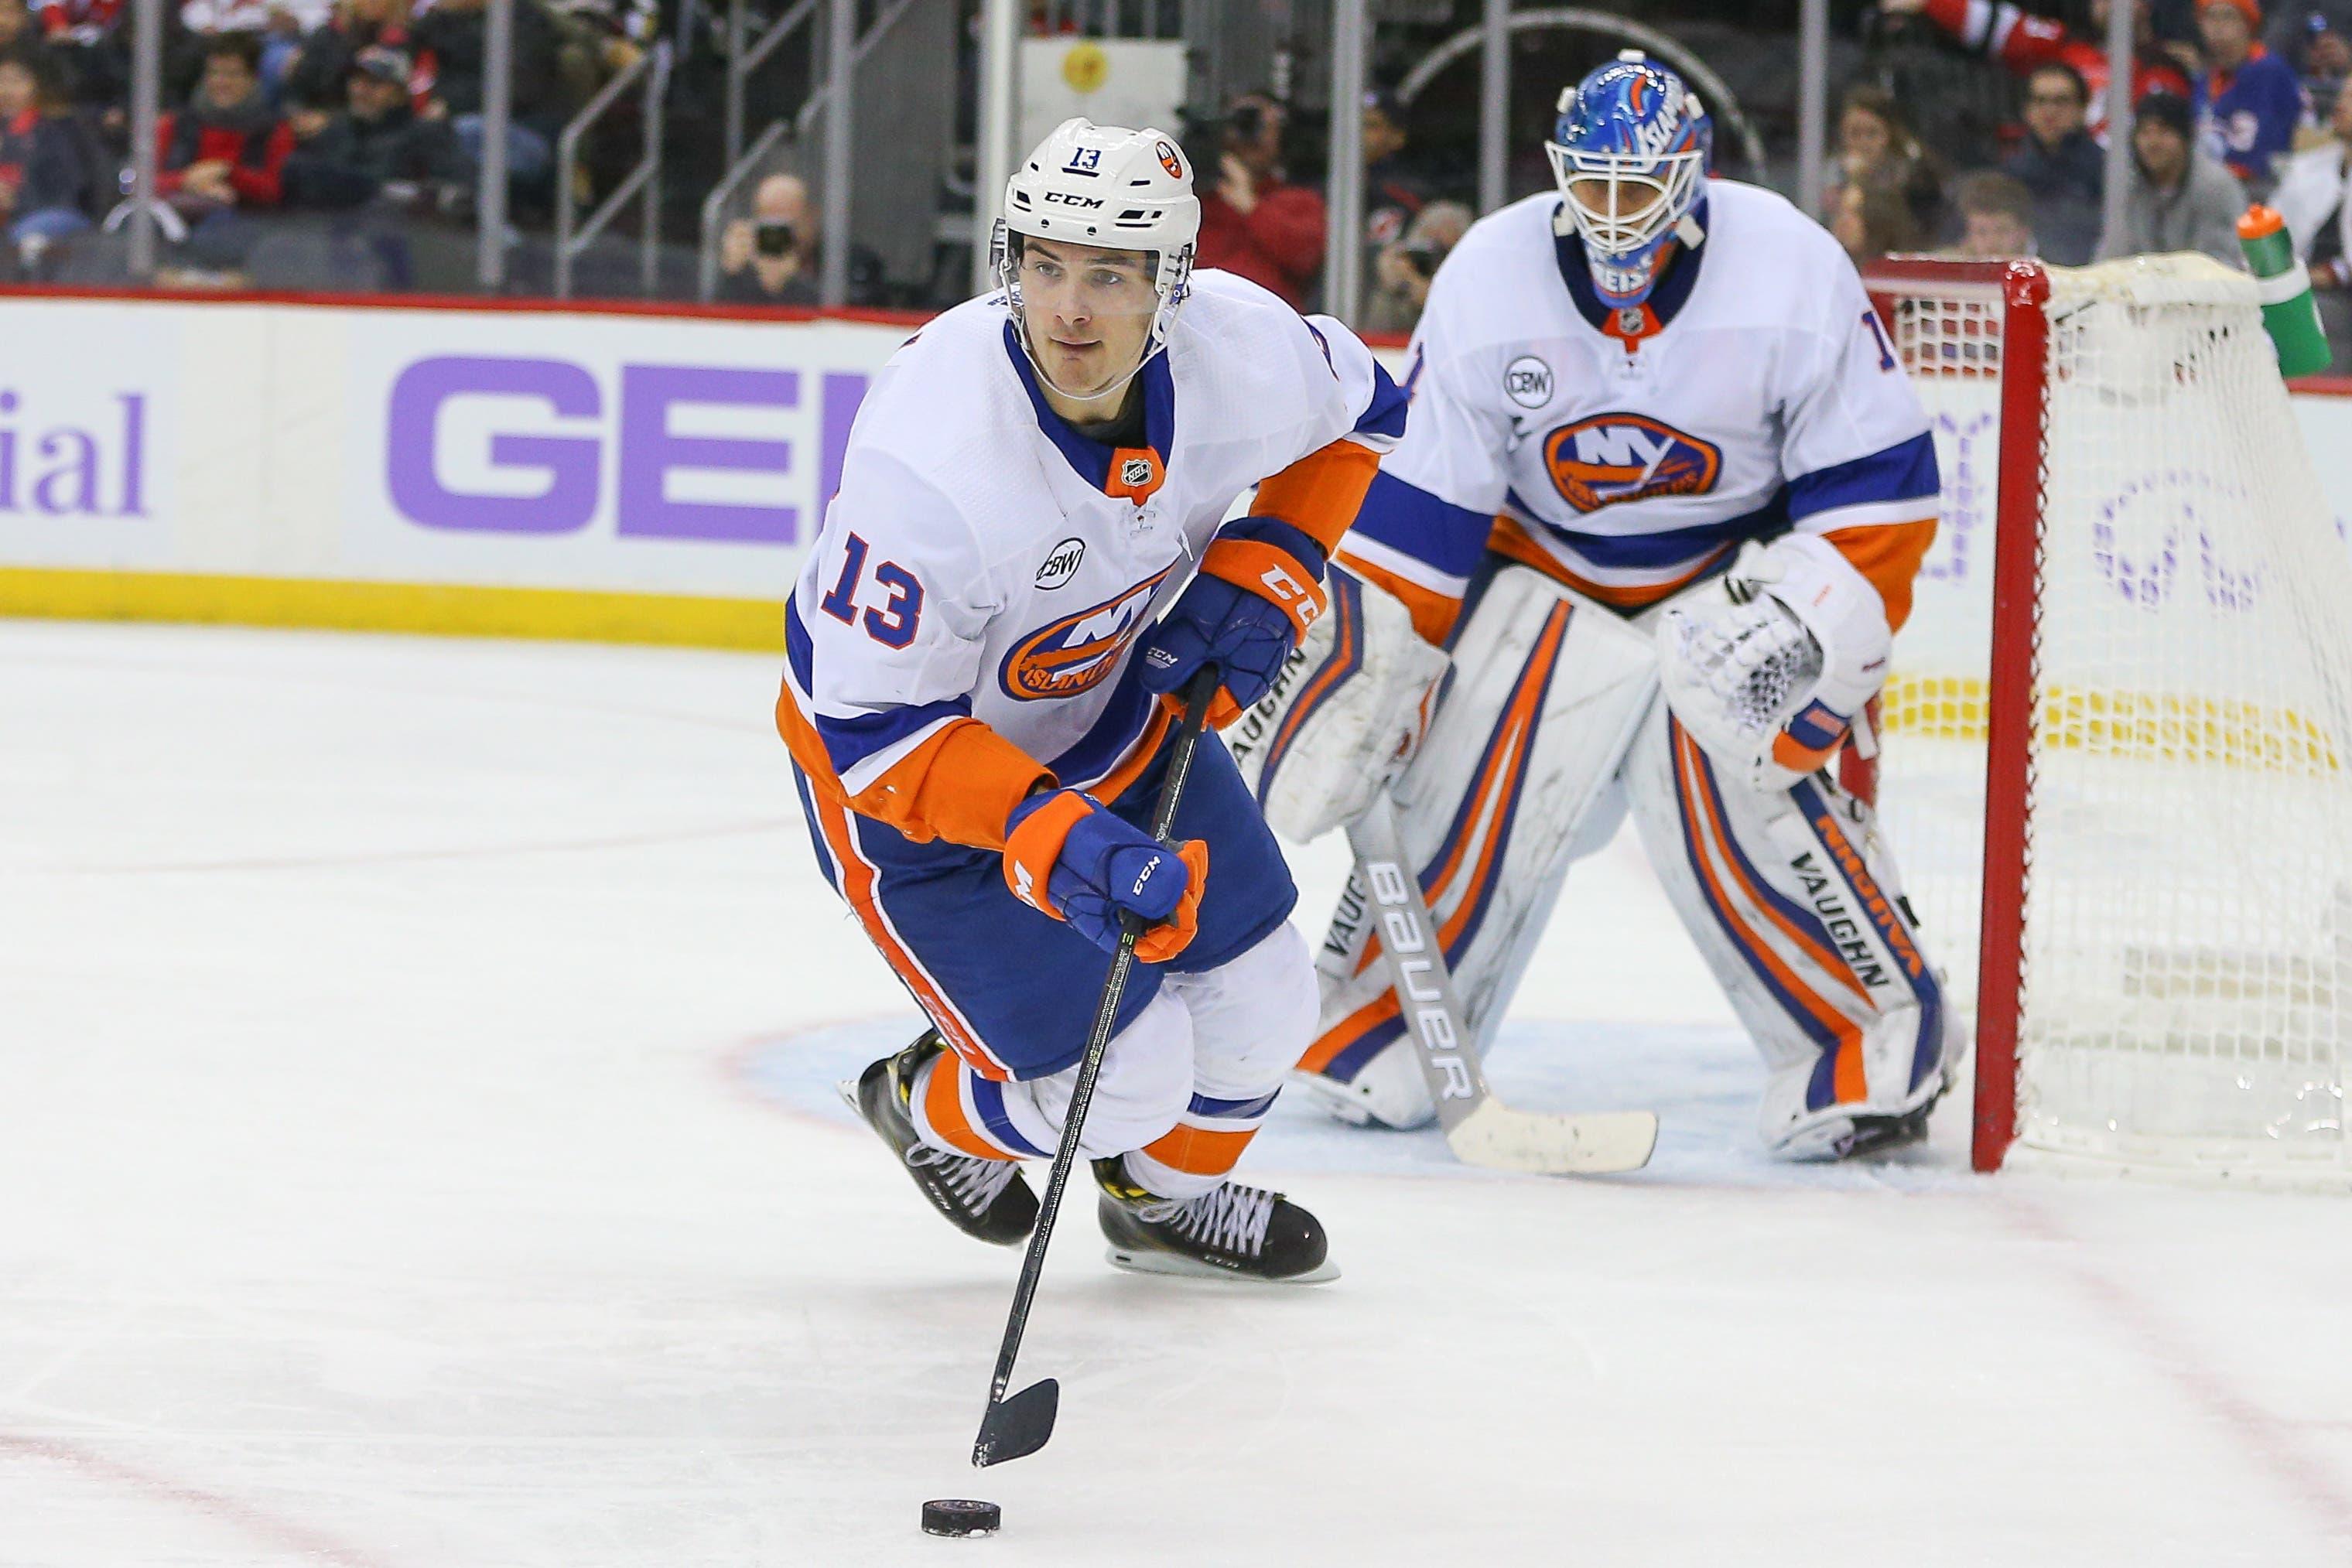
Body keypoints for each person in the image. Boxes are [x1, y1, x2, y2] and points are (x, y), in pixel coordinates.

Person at [1246, 52, 1957, 1160]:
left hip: (1727, 582)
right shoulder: (1490, 275)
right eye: (1593, 184)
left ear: (1692, 180)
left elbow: (1883, 493)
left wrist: (1808, 620)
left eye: (1637, 189)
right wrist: (1364, 670)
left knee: (1744, 776)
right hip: (1544, 578)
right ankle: (1376, 1014)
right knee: (1456, 777)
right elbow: (1427, 519)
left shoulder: (1790, 269)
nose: (1613, 215)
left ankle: (1867, 1030)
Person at [794, 118, 1407, 1282]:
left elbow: (1368, 412)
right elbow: (871, 737)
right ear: (1008, 261)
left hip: (1112, 710)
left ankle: (1160, 1205)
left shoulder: (1242, 349)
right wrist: (1054, 834)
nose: (1070, 308)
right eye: (1045, 263)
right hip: (923, 790)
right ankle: (928, 1105)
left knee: (1270, 1001)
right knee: (1123, 1075)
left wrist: (1268, 565)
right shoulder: (930, 458)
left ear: (1172, 285)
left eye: (1111, 274)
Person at [1881, 0, 2193, 139]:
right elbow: (2006, 28)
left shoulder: (2162, 66)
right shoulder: (2067, 46)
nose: (2107, 4)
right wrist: (1932, 2)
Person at [282, 44, 467, 209]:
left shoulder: (425, 135)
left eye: (373, 83)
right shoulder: (336, 130)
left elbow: (460, 189)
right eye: (355, 81)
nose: (359, 90)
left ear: (400, 94)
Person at [1192, 91, 1325, 309]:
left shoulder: (1301, 201)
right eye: (1240, 123)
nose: (1249, 137)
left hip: (1272, 326)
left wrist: (1250, 206)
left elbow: (1305, 258)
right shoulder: (1197, 204)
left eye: (1259, 126)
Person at [2099, 89, 2249, 263]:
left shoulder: (2215, 186)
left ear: (2186, 138)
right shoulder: (2130, 187)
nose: (2153, 143)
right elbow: (2114, 252)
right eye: (2145, 133)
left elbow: (2220, 259)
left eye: (2163, 132)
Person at [716, 171, 886, 307]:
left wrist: (795, 281)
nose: (778, 234)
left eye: (786, 221)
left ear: (811, 215)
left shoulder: (851, 261)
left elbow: (853, 318)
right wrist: (733, 273)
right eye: (769, 223)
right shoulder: (748, 268)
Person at [2269, 75, 2352, 350]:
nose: (2339, 106)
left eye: (2350, 99)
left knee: (2320, 313)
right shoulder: (2309, 167)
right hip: (2302, 282)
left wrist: (2325, 275)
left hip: (2339, 294)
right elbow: (2273, 227)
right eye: (2341, 96)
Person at [2197, 0, 2308, 193]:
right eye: (2211, 17)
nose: (2218, 26)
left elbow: (2271, 155)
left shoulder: (2271, 73)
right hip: (2210, 188)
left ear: (2248, 24)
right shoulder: (2202, 80)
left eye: (2228, 16)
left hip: (2262, 189)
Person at [2004, 60, 2106, 263]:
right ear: (2027, 111)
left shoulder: (2106, 172)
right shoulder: (2010, 176)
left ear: (2082, 109)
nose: (2049, 112)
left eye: (2061, 101)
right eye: (2040, 101)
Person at [0, 50, 87, 268]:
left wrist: (16, 199)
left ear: (37, 86)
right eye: (2, 81)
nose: (7, 90)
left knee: (22, 237)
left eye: (16, 81)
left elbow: (70, 189)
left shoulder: (55, 131)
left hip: (50, 213)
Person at [1822, 84, 1944, 238]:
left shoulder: (1914, 175)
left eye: (1872, 134)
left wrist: (1860, 180)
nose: (1863, 144)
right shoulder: (1834, 173)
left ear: (1889, 135)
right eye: (1855, 134)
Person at [1362, 197, 1469, 334]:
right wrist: (1394, 282)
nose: (1433, 258)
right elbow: (1379, 334)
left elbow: (1452, 312)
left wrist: (1415, 281)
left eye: (1443, 251)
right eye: (1428, 249)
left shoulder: (1468, 278)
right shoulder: (1402, 276)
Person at [1829, 175, 1924, 265]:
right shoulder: (1829, 270)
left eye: (1857, 212)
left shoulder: (1906, 275)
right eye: (1841, 212)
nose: (1844, 221)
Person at [1948, 169, 2039, 255]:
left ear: (2024, 231)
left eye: (2002, 230)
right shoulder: (1947, 264)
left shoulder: (2049, 265)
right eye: (1981, 232)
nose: (1991, 243)